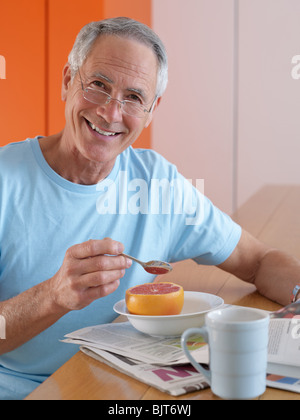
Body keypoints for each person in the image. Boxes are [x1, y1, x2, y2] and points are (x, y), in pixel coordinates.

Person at [0, 17, 299, 400]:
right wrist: (53, 296)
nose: (111, 112)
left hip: (118, 389)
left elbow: (258, 260)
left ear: (152, 109)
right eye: (98, 85)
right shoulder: (6, 182)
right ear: (66, 81)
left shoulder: (158, 184)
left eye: (134, 98)